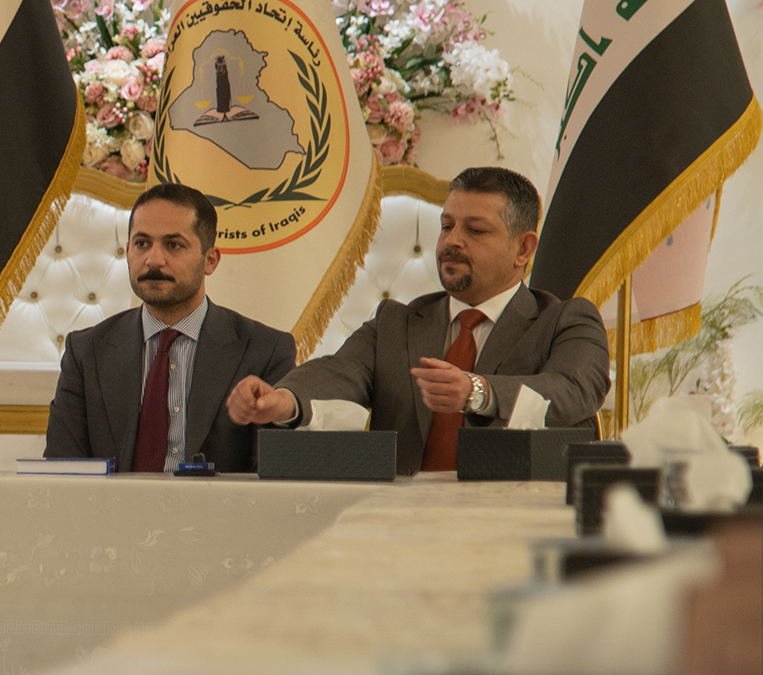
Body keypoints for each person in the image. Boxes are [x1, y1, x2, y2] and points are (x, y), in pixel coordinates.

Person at [226, 166, 609, 475]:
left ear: (523, 248)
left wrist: (477, 391)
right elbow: (337, 372)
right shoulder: (397, 322)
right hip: (398, 520)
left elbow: (573, 389)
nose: (451, 241)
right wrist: (284, 401)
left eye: (475, 230)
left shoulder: (564, 320)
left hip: (511, 518)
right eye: (446, 226)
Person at [45, 183, 296, 472]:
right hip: (110, 503)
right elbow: (61, 472)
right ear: (127, 251)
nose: (153, 260)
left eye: (174, 245)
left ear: (210, 260)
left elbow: (276, 474)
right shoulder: (86, 352)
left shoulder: (265, 351)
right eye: (142, 244)